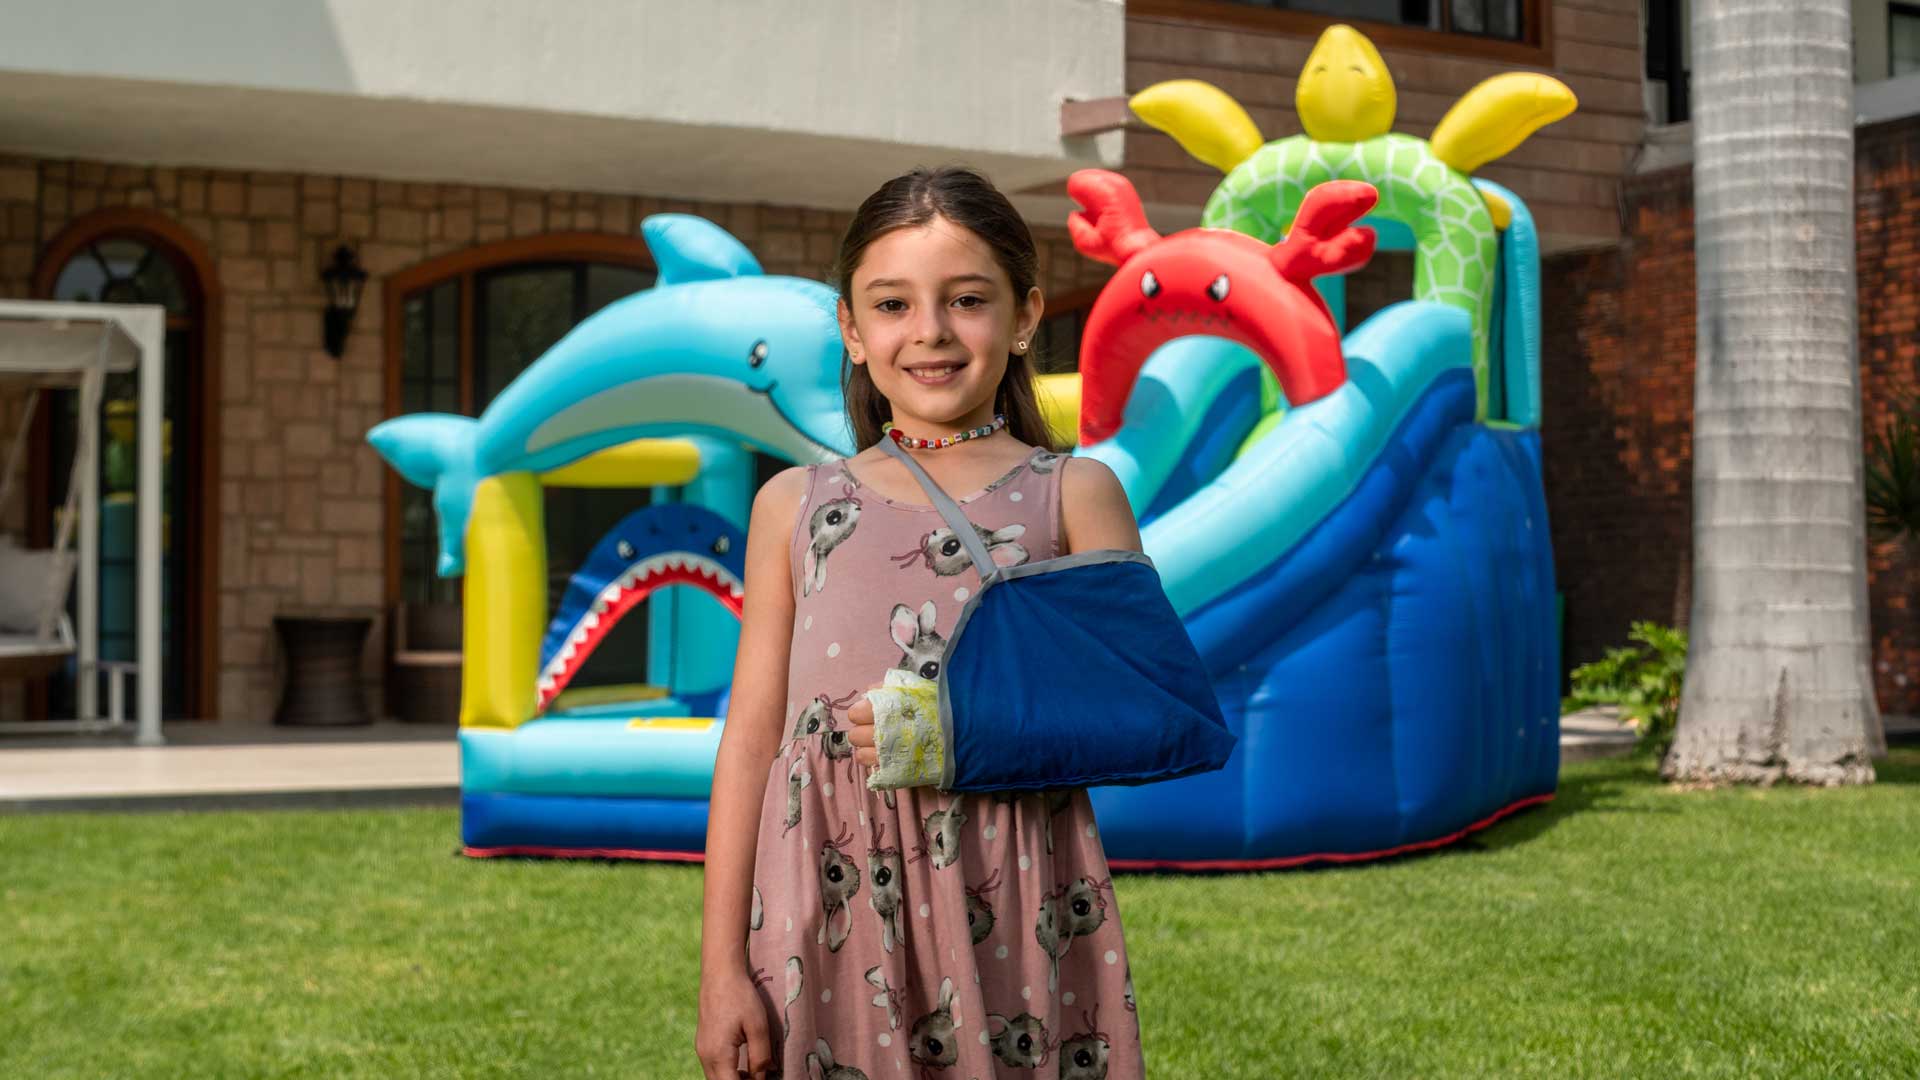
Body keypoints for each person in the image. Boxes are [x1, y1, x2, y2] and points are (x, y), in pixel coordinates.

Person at [696, 166, 1148, 1080]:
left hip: (1017, 895)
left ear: (1023, 317)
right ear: (853, 333)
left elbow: (1141, 712)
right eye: (893, 305)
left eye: (966, 300)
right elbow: (750, 742)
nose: (931, 332)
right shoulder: (793, 504)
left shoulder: (1073, 494)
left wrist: (962, 730)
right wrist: (719, 970)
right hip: (826, 910)